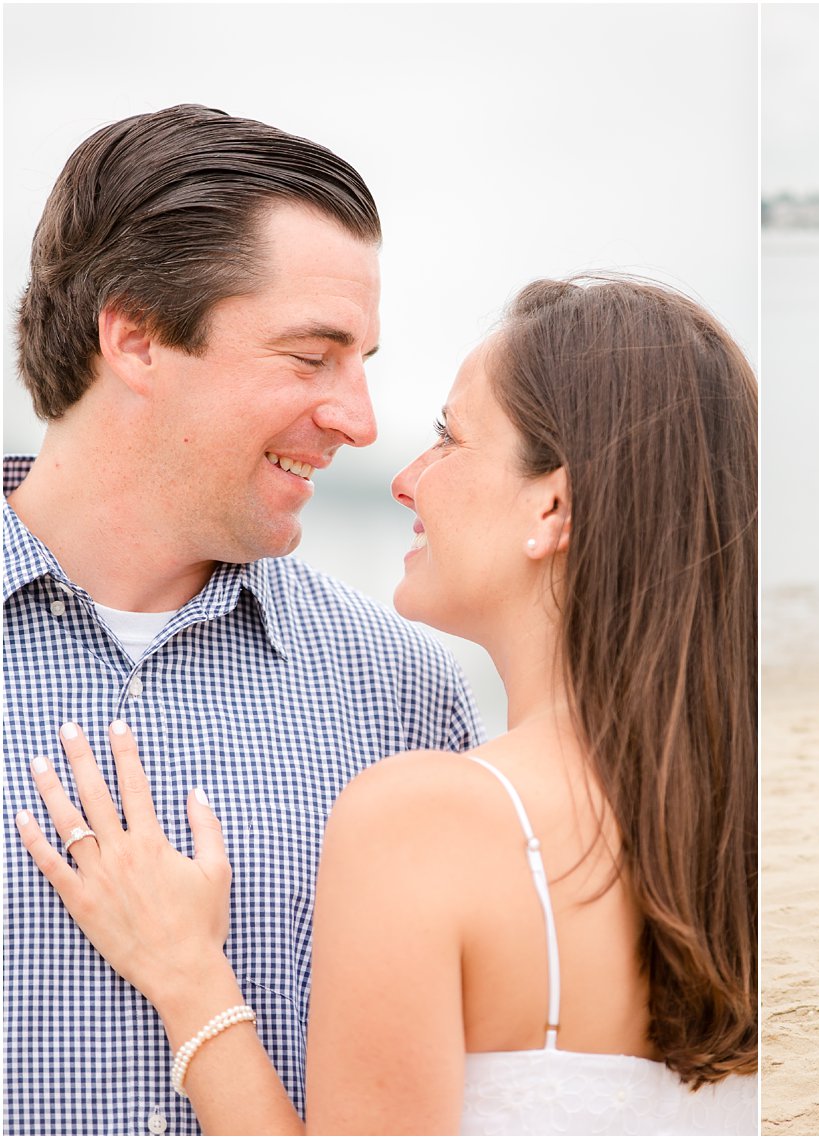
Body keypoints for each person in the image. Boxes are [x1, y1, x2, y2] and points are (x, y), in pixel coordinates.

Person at [19, 275, 761, 1132]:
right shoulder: (729, 821)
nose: (406, 477)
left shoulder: (424, 814)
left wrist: (190, 978)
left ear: (552, 503)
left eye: (450, 438)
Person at [2, 104, 480, 1136]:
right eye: (312, 357)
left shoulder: (407, 697)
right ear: (133, 336)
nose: (356, 419)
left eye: (363, 361)